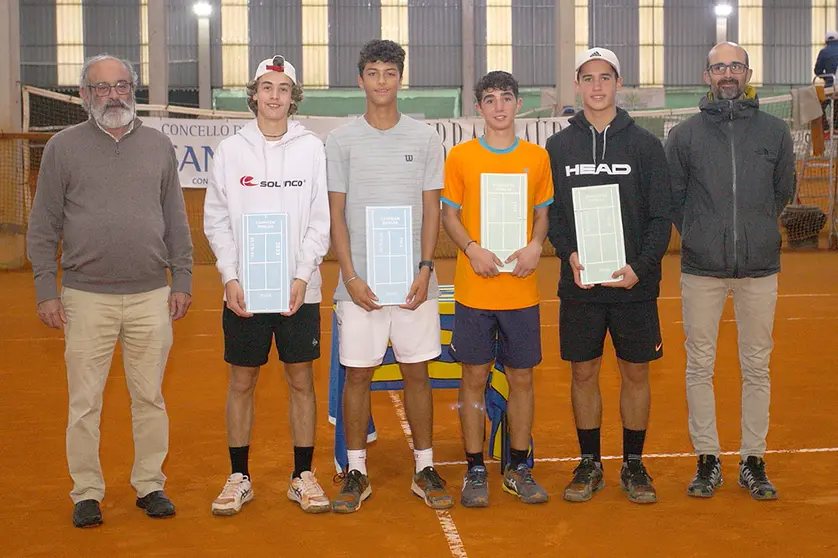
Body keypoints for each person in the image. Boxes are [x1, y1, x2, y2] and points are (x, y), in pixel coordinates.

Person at [26, 54, 193, 528]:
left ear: (133, 91)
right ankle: (86, 492)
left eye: (122, 86)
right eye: (101, 88)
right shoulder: (62, 147)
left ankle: (150, 485)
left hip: (150, 297)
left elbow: (176, 221)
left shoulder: (159, 146)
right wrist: (46, 289)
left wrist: (181, 278)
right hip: (84, 296)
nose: (113, 95)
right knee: (84, 403)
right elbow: (43, 226)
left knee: (150, 398)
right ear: (84, 96)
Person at [326, 39, 453, 513]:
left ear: (401, 79)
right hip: (359, 288)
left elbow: (431, 211)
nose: (382, 81)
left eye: (390, 73)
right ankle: (356, 470)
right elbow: (336, 216)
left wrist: (425, 268)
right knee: (357, 376)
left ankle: (424, 468)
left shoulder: (424, 139)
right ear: (360, 80)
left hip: (414, 285)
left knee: (416, 372)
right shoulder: (339, 141)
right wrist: (352, 278)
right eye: (373, 72)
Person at [666, 42, 795, 500]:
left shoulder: (776, 132)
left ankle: (753, 460)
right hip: (702, 268)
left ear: (747, 72)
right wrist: (703, 233)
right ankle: (707, 460)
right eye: (719, 67)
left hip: (760, 268)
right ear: (707, 74)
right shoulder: (683, 137)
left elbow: (782, 193)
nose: (727, 74)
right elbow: (676, 200)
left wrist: (754, 231)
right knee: (699, 366)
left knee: (756, 367)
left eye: (734, 66)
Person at [203, 56, 332, 515]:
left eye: (282, 87)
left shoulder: (312, 148)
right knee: (242, 380)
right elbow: (216, 220)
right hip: (244, 291)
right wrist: (230, 276)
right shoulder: (231, 150)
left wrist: (301, 275)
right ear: (254, 94)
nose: (274, 95)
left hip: (301, 290)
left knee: (301, 381)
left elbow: (321, 220)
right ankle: (239, 476)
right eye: (266, 87)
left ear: (293, 96)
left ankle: (302, 475)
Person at [545, 48, 671, 505]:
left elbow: (662, 217)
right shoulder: (559, 146)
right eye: (588, 78)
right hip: (580, 283)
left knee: (635, 371)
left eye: (605, 77)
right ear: (577, 84)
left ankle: (634, 465)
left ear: (618, 84)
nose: (597, 86)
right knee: (583, 371)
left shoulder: (645, 145)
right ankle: (590, 462)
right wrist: (570, 253)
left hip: (634, 285)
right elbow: (554, 213)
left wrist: (640, 269)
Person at [441, 70, 553, 507]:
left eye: (507, 98)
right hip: (475, 291)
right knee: (472, 376)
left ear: (519, 104)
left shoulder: (536, 158)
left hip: (521, 291)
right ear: (478, 108)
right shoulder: (461, 157)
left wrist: (535, 246)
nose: (499, 107)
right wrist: (472, 249)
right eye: (490, 99)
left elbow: (542, 213)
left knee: (522, 378)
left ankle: (519, 467)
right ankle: (474, 469)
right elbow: (450, 214)